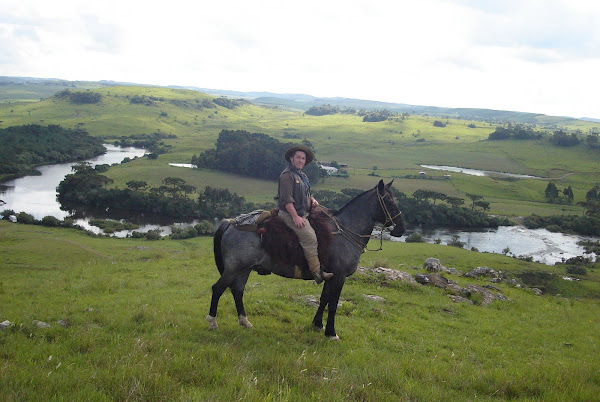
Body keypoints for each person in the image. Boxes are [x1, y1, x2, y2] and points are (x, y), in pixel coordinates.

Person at [277, 145, 334, 284]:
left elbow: (306, 193)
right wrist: (295, 217)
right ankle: (317, 272)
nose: (301, 160)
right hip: (290, 214)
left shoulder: (302, 175)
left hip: (305, 211)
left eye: (303, 158)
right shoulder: (287, 176)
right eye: (298, 157)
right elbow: (286, 200)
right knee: (310, 238)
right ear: (292, 159)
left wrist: (312, 200)